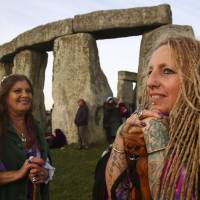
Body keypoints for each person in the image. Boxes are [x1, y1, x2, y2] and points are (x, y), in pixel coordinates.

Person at [102, 36, 200, 200]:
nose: (150, 82)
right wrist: (120, 138)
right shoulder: (136, 135)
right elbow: (117, 195)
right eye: (149, 72)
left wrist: (156, 135)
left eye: (167, 71)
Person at [0, 74, 54, 200]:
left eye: (28, 91)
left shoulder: (36, 128)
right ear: (5, 97)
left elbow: (47, 162)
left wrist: (45, 174)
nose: (25, 95)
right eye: (17, 91)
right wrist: (19, 173)